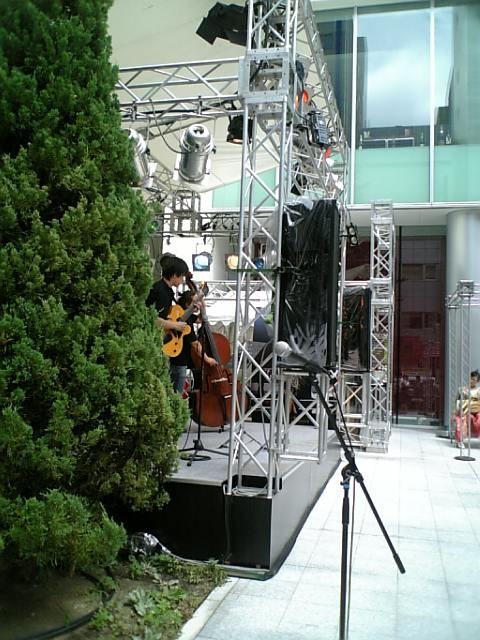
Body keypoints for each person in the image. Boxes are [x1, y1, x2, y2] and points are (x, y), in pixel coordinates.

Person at [146, 255, 191, 393]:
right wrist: (176, 326)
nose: (182, 280)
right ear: (174, 275)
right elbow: (153, 319)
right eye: (181, 276)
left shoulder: (165, 290)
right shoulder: (160, 291)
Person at [455, 370, 480, 444]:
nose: (471, 381)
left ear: (478, 381)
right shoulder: (462, 390)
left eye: (474, 379)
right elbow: (457, 402)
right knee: (462, 419)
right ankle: (460, 440)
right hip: (465, 412)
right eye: (470, 378)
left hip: (477, 412)